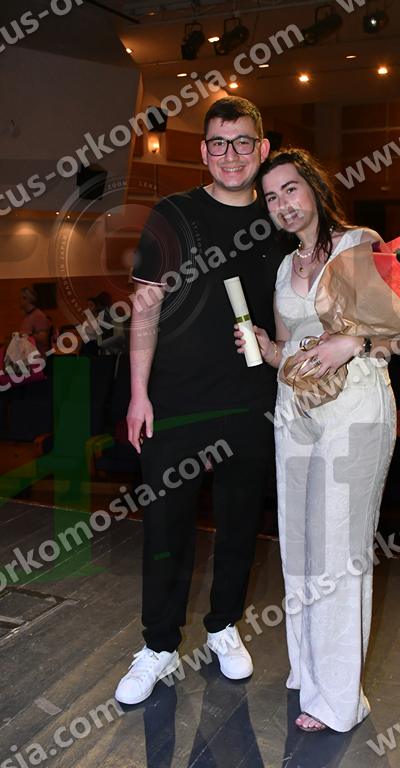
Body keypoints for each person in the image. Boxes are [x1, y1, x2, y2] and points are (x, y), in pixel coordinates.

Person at [115, 97, 284, 705]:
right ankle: (159, 644)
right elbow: (145, 308)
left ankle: (223, 626)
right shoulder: (174, 214)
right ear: (203, 151)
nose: (230, 154)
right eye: (218, 142)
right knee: (166, 527)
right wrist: (139, 394)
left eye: (242, 142)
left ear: (262, 149)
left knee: (240, 522)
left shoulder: (280, 216)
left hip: (252, 399)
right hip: (176, 400)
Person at [235, 148, 400, 733]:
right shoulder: (286, 268)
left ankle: (338, 700)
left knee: (338, 552)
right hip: (295, 409)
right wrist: (265, 346)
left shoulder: (359, 244)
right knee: (301, 548)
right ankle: (311, 673)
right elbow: (289, 351)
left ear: (314, 187)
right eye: (271, 197)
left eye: (290, 189)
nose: (282, 203)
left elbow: (399, 330)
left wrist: (350, 342)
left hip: (354, 407)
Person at [19, 287, 51, 355]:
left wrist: (27, 335)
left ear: (26, 299)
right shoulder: (27, 316)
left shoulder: (38, 316)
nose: (19, 301)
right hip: (28, 355)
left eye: (20, 298)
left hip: (38, 356)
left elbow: (43, 338)